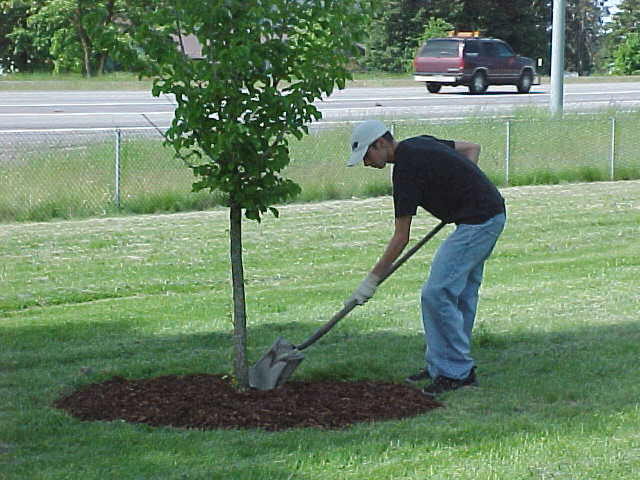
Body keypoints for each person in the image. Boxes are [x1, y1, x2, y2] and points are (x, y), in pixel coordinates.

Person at [345, 119, 506, 397]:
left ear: (381, 144)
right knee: (460, 294)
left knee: (437, 293)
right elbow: (471, 149)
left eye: (367, 156)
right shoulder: (419, 142)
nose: (366, 164)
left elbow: (400, 238)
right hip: (486, 214)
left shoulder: (406, 170)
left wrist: (370, 281)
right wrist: (464, 186)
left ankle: (456, 372)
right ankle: (443, 367)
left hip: (479, 222)